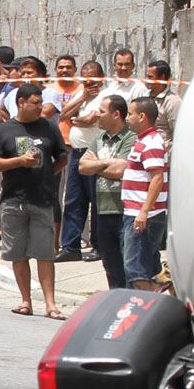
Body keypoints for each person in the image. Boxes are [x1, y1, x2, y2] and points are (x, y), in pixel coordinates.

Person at [0, 82, 68, 318]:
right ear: (21, 103)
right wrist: (19, 162)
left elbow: (62, 156)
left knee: (45, 254)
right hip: (13, 200)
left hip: (42, 199)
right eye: (35, 103)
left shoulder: (49, 128)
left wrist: (46, 172)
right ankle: (25, 300)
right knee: (18, 254)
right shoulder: (4, 130)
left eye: (41, 102)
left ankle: (51, 304)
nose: (40, 107)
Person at [77, 92, 136, 290]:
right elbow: (82, 167)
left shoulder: (130, 138)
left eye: (102, 112)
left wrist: (98, 166)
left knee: (129, 264)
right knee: (110, 264)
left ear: (116, 114)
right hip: (102, 209)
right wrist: (106, 163)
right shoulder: (99, 139)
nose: (97, 115)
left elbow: (122, 169)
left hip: (125, 210)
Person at [123, 95, 170, 289]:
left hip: (144, 215)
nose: (127, 118)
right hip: (137, 212)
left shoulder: (151, 143)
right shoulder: (142, 141)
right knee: (147, 267)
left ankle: (149, 306)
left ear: (142, 116)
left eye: (130, 114)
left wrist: (144, 211)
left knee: (136, 268)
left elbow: (157, 178)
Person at [47, 54, 89, 259]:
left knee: (72, 197)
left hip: (76, 147)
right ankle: (60, 242)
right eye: (61, 67)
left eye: (68, 67)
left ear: (75, 69)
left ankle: (75, 240)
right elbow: (63, 115)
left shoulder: (82, 87)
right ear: (56, 69)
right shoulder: (50, 89)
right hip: (56, 147)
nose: (64, 70)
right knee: (56, 197)